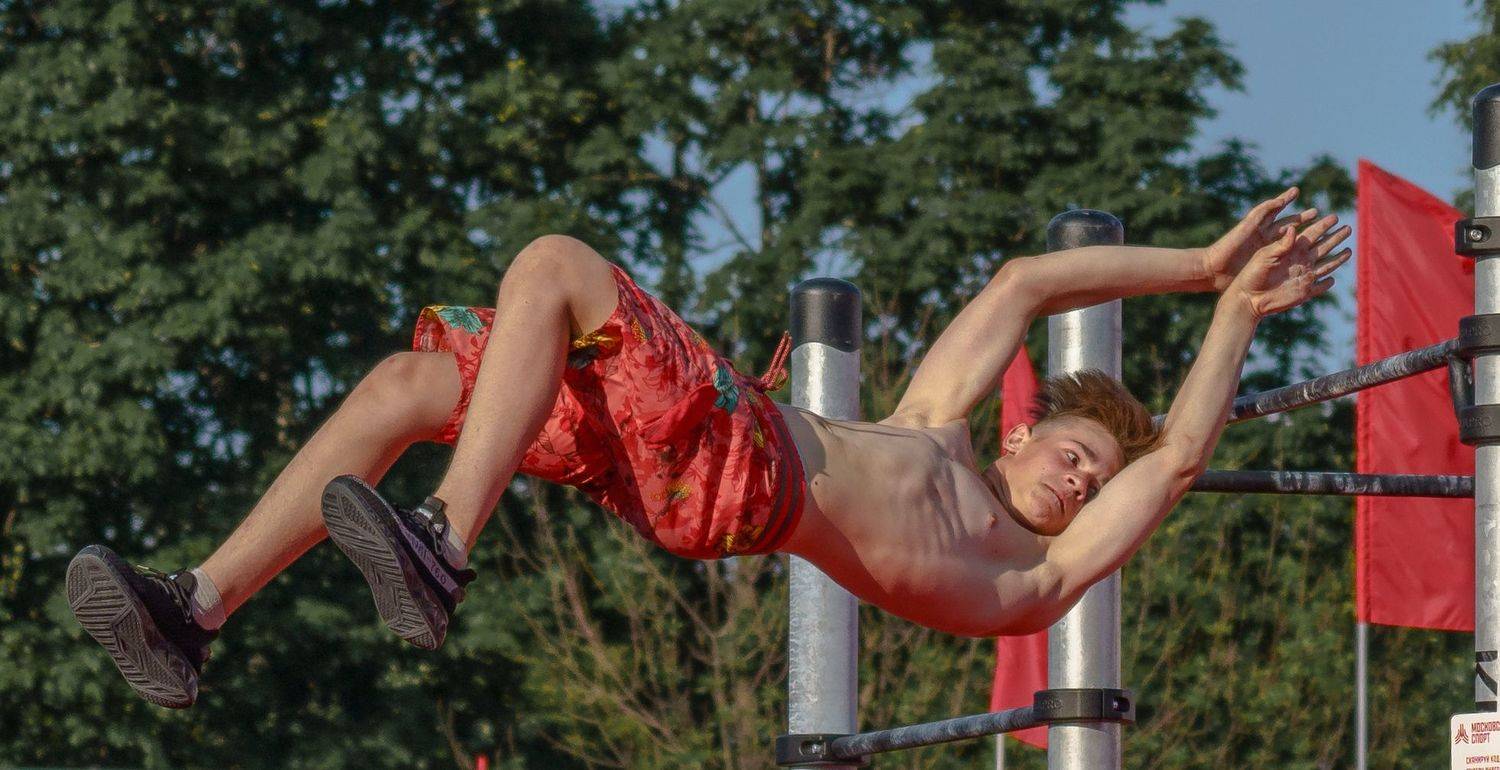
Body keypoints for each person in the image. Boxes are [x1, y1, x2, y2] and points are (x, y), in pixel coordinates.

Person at [65, 188, 1349, 708]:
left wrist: (1235, 313)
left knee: (557, 264)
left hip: (741, 465)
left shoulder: (1027, 576)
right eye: (1073, 451)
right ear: (1021, 428)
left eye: (1091, 483)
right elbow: (1021, 283)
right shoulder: (929, 425)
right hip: (677, 462)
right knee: (411, 383)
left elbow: (1175, 459)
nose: (1078, 479)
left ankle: (443, 542)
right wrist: (1198, 261)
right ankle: (196, 608)